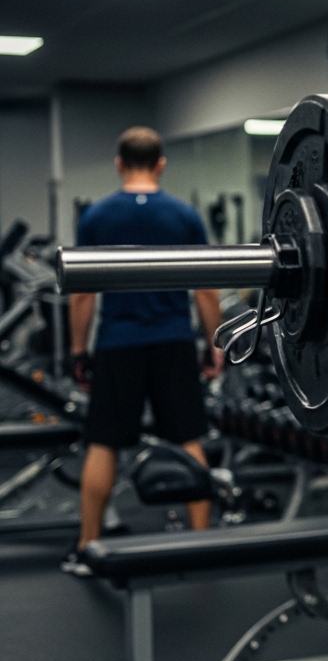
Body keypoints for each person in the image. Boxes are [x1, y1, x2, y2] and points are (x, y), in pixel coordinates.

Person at [62, 127, 224, 577]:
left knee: (104, 443)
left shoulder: (97, 215)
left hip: (118, 342)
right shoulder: (184, 214)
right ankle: (201, 544)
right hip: (173, 340)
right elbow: (206, 288)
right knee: (188, 438)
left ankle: (87, 546)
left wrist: (79, 350)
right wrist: (215, 344)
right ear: (160, 164)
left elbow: (82, 295)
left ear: (119, 164)